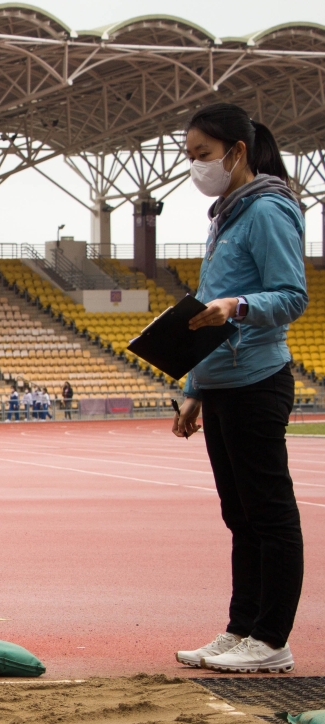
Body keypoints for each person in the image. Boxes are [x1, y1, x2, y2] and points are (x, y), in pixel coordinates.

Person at [172, 103, 307, 674]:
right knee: (240, 516)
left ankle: (271, 638)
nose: (195, 166)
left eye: (202, 154)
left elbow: (292, 295)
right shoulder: (225, 216)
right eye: (189, 156)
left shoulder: (268, 209)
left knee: (269, 515)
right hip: (222, 382)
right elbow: (208, 316)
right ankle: (240, 629)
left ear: (237, 151)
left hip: (257, 380)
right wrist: (195, 388)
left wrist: (238, 305)